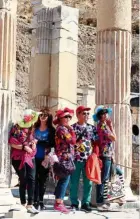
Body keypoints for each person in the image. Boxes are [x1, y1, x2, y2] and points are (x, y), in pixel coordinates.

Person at [93, 105, 125, 211]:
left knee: (117, 173)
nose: (105, 115)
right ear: (100, 116)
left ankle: (116, 197)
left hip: (109, 155)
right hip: (104, 155)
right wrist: (111, 126)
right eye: (102, 114)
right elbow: (114, 138)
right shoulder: (102, 126)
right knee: (104, 179)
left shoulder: (104, 125)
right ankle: (100, 201)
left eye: (106, 113)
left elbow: (111, 141)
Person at [9, 109, 40, 214]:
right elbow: (12, 143)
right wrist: (24, 147)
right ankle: (23, 203)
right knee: (23, 179)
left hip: (30, 157)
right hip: (18, 157)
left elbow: (33, 140)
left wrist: (33, 144)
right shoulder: (16, 127)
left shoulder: (32, 128)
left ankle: (30, 204)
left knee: (32, 179)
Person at [70, 106, 98, 213]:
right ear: (78, 115)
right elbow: (69, 143)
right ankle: (74, 202)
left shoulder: (92, 128)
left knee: (88, 182)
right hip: (76, 159)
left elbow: (96, 143)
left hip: (88, 160)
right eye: (84, 113)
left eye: (87, 114)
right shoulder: (72, 128)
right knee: (74, 182)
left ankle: (86, 203)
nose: (86, 115)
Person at [53, 107, 76, 213]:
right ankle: (59, 203)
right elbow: (72, 140)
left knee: (63, 180)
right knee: (64, 180)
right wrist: (71, 129)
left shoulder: (62, 128)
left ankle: (58, 201)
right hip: (64, 158)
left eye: (69, 117)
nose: (68, 118)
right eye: (65, 116)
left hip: (65, 157)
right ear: (61, 118)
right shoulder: (62, 129)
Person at [33, 107, 55, 210]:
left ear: (48, 117)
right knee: (34, 180)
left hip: (44, 158)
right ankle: (34, 200)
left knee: (42, 180)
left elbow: (52, 145)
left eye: (45, 115)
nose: (42, 117)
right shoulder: (34, 128)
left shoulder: (51, 130)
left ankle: (41, 201)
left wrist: (47, 158)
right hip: (33, 157)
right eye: (41, 115)